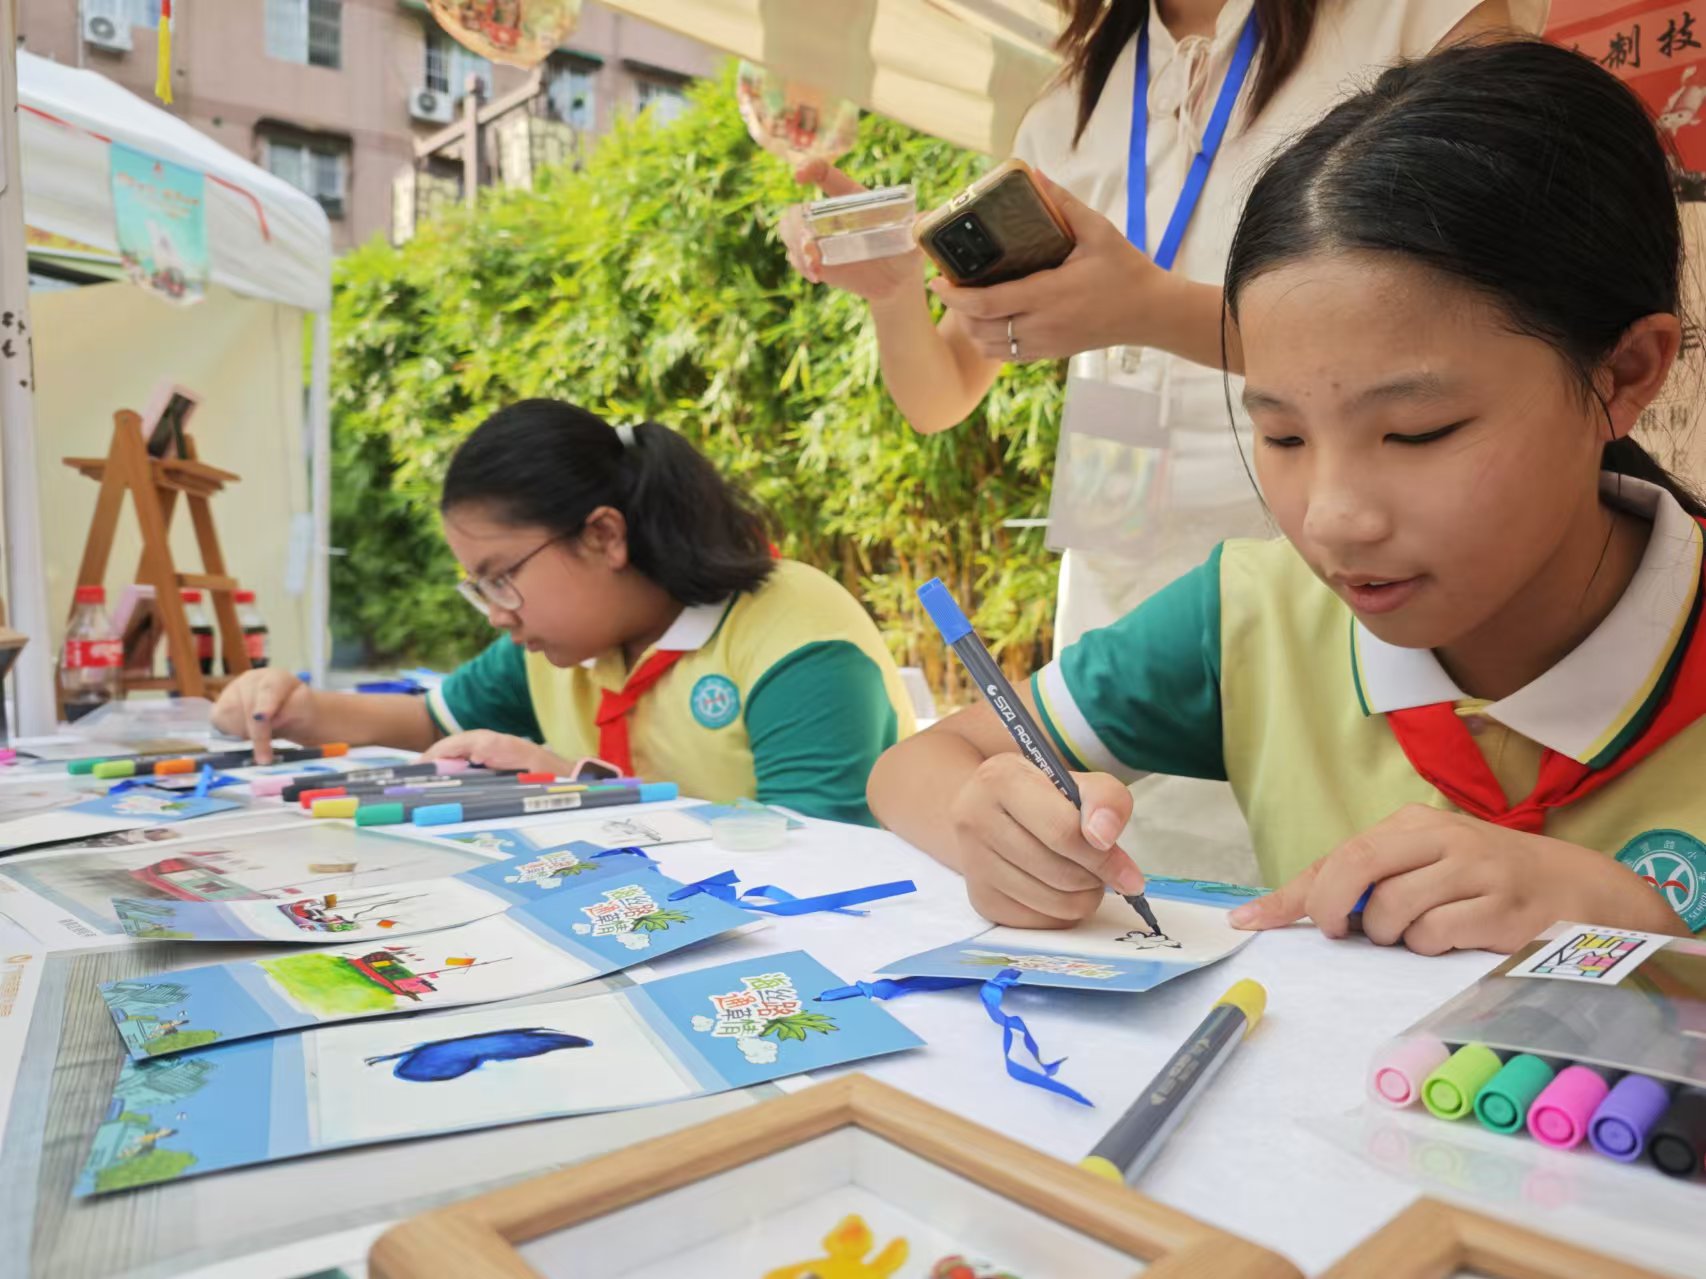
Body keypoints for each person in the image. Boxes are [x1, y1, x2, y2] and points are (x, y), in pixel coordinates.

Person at [867, 40, 1706, 953]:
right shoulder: (1253, 617)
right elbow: (912, 766)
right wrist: (994, 829)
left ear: (1625, 372)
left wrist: (1650, 935)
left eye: (1417, 432)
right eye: (1283, 436)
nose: (1332, 516)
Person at [787, 0, 1545, 647]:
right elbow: (941, 395)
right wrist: (892, 294)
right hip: (1118, 586)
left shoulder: (1421, 17)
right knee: (1127, 818)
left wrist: (1148, 309)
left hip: (1350, 565)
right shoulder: (1068, 106)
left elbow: (1494, 320)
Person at [214, 400, 916, 825]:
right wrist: (296, 708)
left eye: (501, 577)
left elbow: (811, 854)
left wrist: (578, 787)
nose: (496, 613)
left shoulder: (792, 633)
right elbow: (433, 722)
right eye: (481, 588)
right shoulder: (565, 647)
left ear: (604, 535)